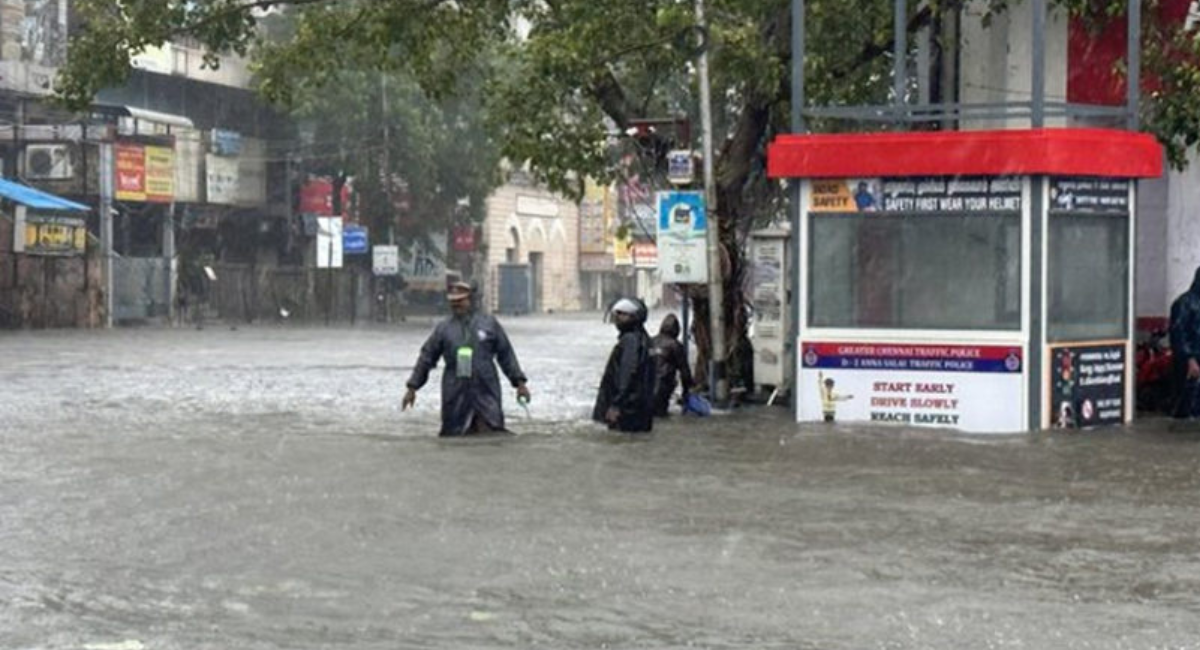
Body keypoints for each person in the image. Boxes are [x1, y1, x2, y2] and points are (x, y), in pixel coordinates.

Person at [402, 281, 531, 435]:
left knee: (492, 432)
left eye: (460, 301)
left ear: (471, 300)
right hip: (455, 392)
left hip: (486, 390)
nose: (457, 305)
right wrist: (412, 387)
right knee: (454, 435)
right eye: (453, 302)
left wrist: (519, 383)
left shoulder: (489, 324)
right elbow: (426, 357)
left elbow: (506, 355)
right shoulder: (444, 329)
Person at [593, 297, 655, 432]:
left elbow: (627, 374)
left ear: (634, 316)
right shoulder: (645, 340)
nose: (617, 319)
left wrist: (616, 405)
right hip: (640, 412)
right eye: (617, 315)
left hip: (626, 412)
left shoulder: (630, 341)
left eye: (622, 315)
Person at [1169, 266, 1200, 418]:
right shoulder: (1184, 304)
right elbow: (1178, 334)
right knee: (1187, 403)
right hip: (1190, 362)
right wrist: (1189, 359)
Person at [650, 313, 693, 417]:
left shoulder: (650, 341)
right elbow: (685, 372)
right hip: (663, 389)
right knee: (661, 415)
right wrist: (687, 393)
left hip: (645, 389)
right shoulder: (675, 346)